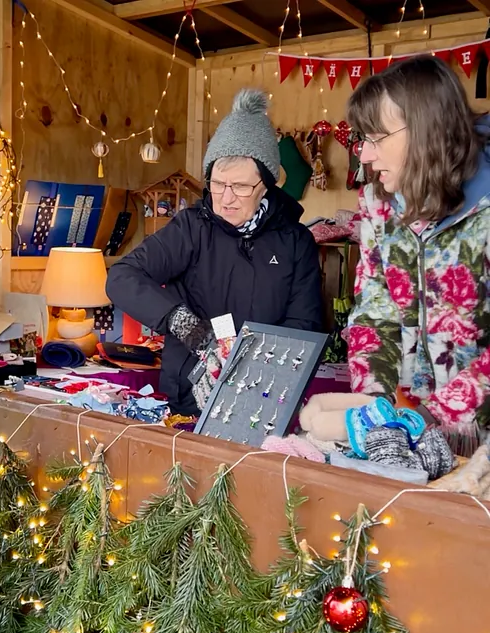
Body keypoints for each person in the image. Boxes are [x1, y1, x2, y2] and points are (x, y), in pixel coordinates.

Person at [305, 55, 490, 458]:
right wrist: (372, 409)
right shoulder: (377, 203)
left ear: (426, 132)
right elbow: (376, 310)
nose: (365, 156)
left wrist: (428, 416)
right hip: (413, 433)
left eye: (377, 138)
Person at [107, 89, 323, 416]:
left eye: (240, 186)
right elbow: (122, 277)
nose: (226, 198)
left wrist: (254, 371)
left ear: (266, 185)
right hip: (190, 394)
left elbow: (303, 327)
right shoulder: (192, 228)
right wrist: (182, 323)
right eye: (218, 184)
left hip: (262, 402)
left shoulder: (296, 243)